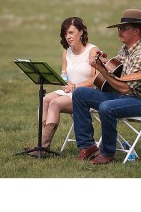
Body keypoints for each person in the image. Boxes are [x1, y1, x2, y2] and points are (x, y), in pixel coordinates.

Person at [72, 9, 141, 164]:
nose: (119, 31)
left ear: (136, 31)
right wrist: (101, 62)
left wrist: (101, 69)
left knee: (107, 107)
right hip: (126, 97)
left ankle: (107, 153)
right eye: (119, 28)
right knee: (80, 93)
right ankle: (88, 146)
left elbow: (125, 88)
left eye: (124, 28)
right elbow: (113, 69)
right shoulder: (126, 49)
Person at [28, 17, 99, 156]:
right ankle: (42, 145)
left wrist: (76, 86)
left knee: (54, 103)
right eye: (65, 33)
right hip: (69, 91)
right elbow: (64, 74)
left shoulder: (92, 51)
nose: (68, 37)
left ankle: (42, 147)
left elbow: (96, 80)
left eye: (71, 32)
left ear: (81, 32)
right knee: (45, 100)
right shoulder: (67, 51)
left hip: (86, 94)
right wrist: (66, 84)